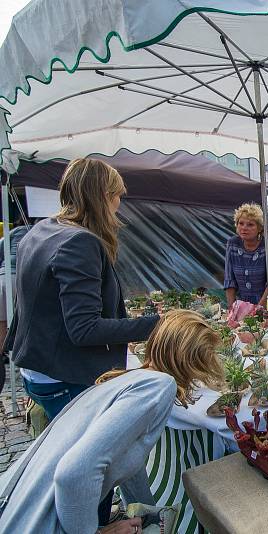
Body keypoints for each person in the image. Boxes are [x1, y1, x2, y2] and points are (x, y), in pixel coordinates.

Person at [0, 309, 224, 533]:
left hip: (19, 508)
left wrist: (148, 514)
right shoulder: (160, 386)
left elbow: (124, 456)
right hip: (36, 524)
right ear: (190, 362)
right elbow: (73, 473)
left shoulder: (129, 380)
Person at [9, 158, 159, 422]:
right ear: (104, 196)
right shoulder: (79, 242)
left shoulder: (41, 229)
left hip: (39, 369)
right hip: (66, 377)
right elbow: (84, 329)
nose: (119, 205)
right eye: (117, 196)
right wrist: (158, 325)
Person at [224, 202, 268, 309]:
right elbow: (229, 280)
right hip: (240, 304)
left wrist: (258, 309)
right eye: (241, 223)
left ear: (260, 228)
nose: (244, 228)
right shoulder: (232, 244)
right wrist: (231, 309)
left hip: (267, 305)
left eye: (250, 224)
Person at [0, 217, 32, 351]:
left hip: (5, 278)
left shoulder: (13, 232)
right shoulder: (39, 233)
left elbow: (1, 250)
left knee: (2, 323)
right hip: (24, 280)